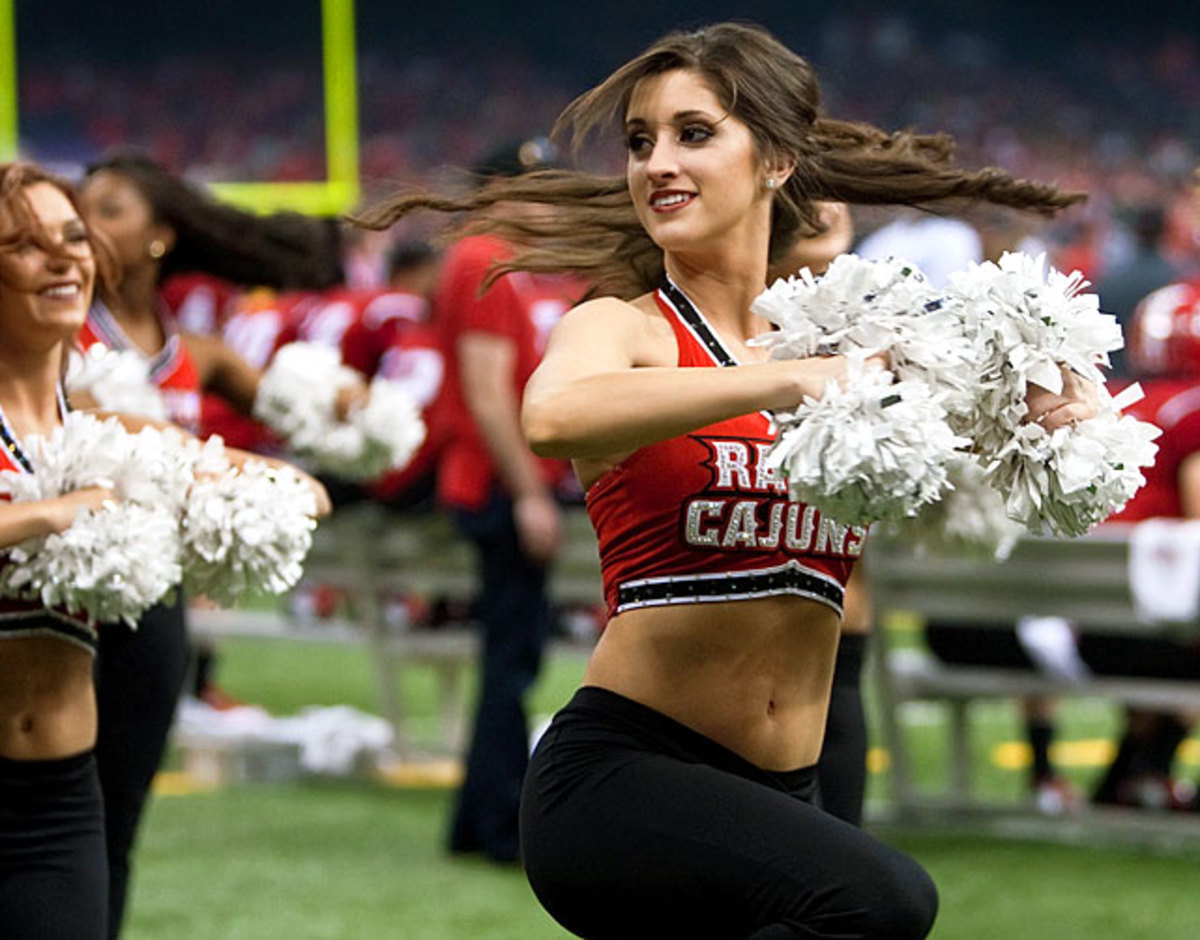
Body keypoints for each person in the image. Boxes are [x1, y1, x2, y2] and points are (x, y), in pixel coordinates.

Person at [355, 23, 1091, 937]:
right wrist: (789, 379)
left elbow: (975, 452)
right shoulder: (625, 327)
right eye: (639, 141)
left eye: (692, 133)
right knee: (886, 902)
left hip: (786, 779)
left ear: (777, 160)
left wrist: (1043, 402)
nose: (657, 161)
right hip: (624, 778)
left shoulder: (842, 340)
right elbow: (552, 415)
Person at [0, 161, 329, 939]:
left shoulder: (104, 433)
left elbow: (301, 493)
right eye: (22, 243)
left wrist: (228, 493)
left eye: (74, 237)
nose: (63, 257)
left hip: (56, 802)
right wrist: (41, 517)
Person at [429, 138, 584, 865]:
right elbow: (488, 392)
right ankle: (495, 823)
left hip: (500, 476)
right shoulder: (483, 257)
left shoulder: (502, 260)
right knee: (510, 657)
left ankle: (478, 820)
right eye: (531, 190)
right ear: (495, 191)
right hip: (496, 481)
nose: (544, 204)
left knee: (510, 653)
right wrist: (530, 492)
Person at [1079, 275, 1200, 810]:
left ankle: (1134, 775)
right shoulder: (1191, 411)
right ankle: (1143, 773)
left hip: (1084, 623)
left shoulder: (1113, 402)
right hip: (1158, 628)